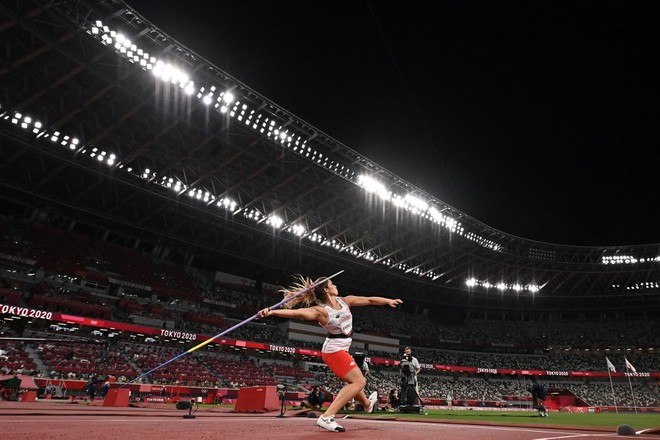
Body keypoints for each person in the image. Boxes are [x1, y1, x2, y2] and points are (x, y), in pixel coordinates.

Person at [259, 275, 402, 432]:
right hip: (334, 351)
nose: (335, 285)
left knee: (353, 382)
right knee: (359, 382)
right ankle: (326, 417)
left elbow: (369, 300)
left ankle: (367, 405)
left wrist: (388, 301)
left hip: (343, 349)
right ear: (326, 290)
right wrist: (272, 312)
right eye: (332, 284)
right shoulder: (321, 311)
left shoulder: (345, 301)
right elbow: (298, 313)